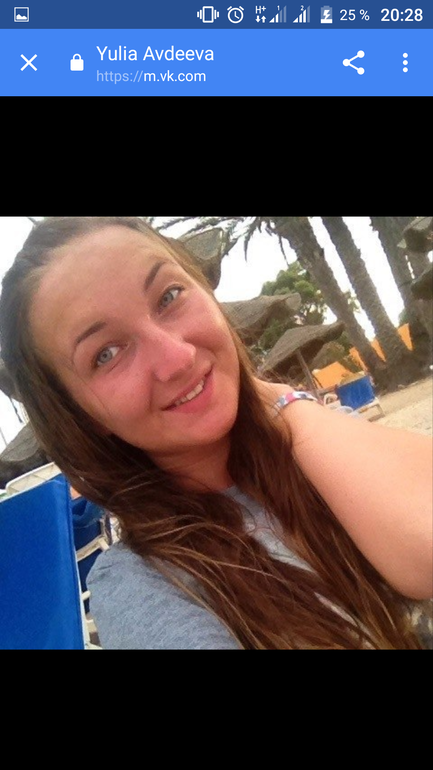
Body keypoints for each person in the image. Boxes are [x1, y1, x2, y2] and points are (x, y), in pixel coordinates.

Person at [0, 216, 431, 650]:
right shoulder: (145, 588)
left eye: (169, 296)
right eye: (107, 354)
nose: (179, 358)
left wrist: (282, 402)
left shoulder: (322, 444)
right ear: (80, 415)